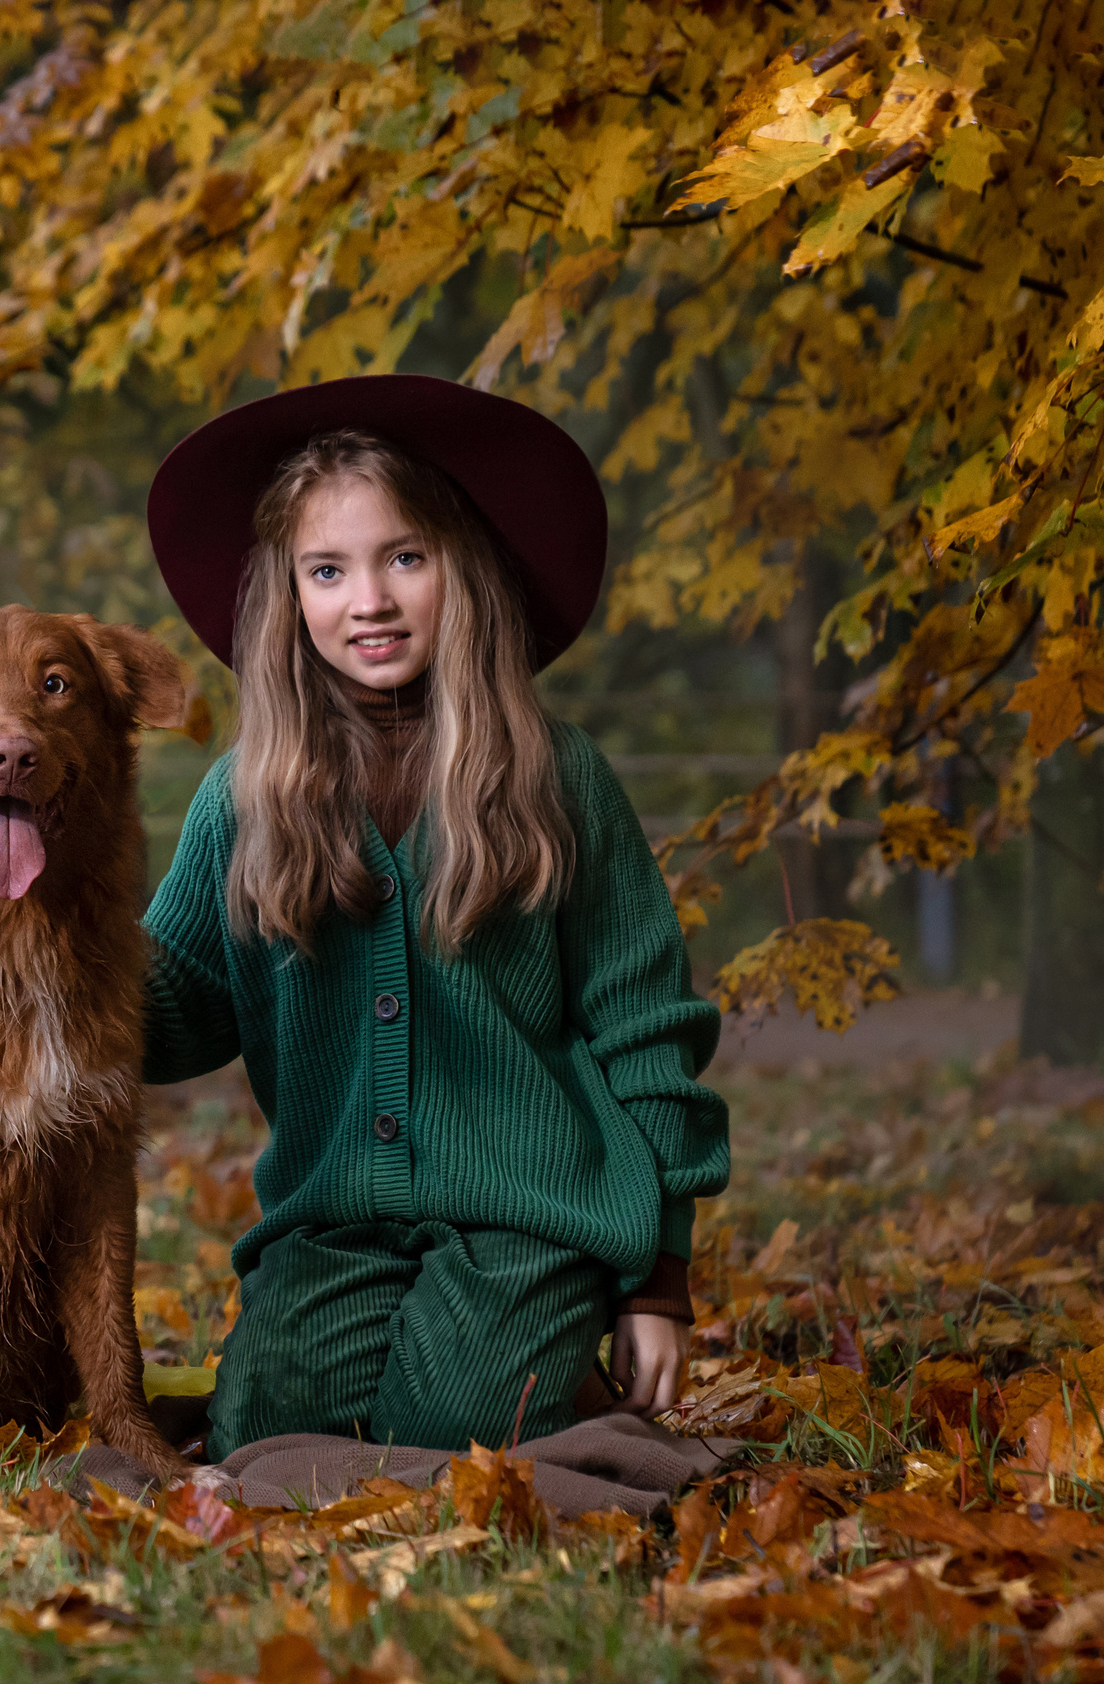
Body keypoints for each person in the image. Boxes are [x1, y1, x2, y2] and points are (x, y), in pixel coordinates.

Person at [140, 373, 730, 1462]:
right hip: (331, 1224)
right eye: (328, 570)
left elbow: (647, 1029)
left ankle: (544, 1350)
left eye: (403, 557)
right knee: (263, 1429)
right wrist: (31, 925)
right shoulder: (243, 796)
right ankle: (360, 1356)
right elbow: (167, 1007)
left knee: (458, 1425)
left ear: (465, 566)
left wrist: (658, 1281)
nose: (368, 599)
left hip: (530, 1212)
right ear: (286, 596)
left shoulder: (555, 777)